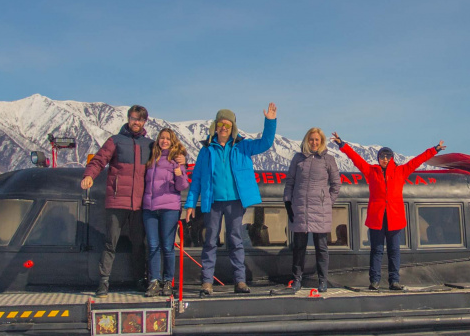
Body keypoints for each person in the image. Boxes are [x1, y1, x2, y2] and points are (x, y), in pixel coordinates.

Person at [182, 104, 278, 296]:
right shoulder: (207, 150)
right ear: (215, 126)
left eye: (227, 124)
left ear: (233, 127)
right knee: (210, 240)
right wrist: (191, 203)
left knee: (236, 240)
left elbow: (266, 142)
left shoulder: (243, 147)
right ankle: (207, 282)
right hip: (213, 202)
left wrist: (270, 121)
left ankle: (240, 281)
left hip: (235, 202)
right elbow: (197, 179)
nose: (224, 127)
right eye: (220, 124)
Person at [333, 134, 445, 290]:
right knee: (376, 250)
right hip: (377, 218)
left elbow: (417, 161)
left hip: (394, 218)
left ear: (392, 158)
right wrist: (342, 144)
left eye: (388, 156)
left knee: (394, 251)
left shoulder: (401, 171)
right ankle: (374, 281)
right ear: (378, 158)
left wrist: (434, 150)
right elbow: (356, 159)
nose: (385, 159)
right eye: (382, 157)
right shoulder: (371, 172)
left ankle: (394, 281)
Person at [81, 105, 154, 295]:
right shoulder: (115, 141)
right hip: (116, 201)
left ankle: (140, 279)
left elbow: (163, 164)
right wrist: (89, 175)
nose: (136, 122)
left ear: (145, 122)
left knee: (139, 244)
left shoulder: (149, 145)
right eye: (133, 118)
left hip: (139, 204)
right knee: (110, 243)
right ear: (128, 119)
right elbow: (98, 161)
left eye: (139, 119)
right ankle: (103, 282)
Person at [284, 127, 342, 291]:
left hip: (320, 210)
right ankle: (296, 280)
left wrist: (328, 202)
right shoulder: (298, 158)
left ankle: (322, 280)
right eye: (311, 139)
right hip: (300, 208)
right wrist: (288, 203)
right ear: (306, 141)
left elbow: (336, 184)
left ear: (321, 141)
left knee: (321, 247)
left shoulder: (328, 159)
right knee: (298, 247)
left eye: (317, 140)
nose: (314, 143)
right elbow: (290, 182)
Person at [142, 129, 189, 297]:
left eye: (168, 138)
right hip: (150, 207)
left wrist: (180, 174)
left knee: (167, 246)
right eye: (161, 138)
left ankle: (168, 281)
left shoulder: (177, 159)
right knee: (153, 245)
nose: (164, 141)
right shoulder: (151, 158)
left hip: (169, 207)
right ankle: (154, 281)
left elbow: (182, 186)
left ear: (172, 141)